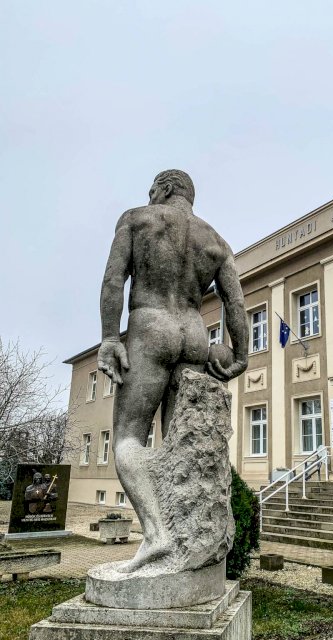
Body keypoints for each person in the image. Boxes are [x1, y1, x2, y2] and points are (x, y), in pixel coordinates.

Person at [97, 170, 248, 570]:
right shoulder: (216, 242)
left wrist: (110, 337)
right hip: (194, 334)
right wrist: (241, 355)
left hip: (150, 328)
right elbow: (235, 303)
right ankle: (186, 544)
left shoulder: (136, 218)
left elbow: (113, 279)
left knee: (128, 438)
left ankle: (157, 536)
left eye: (152, 189)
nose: (149, 195)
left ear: (164, 188)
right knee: (179, 443)